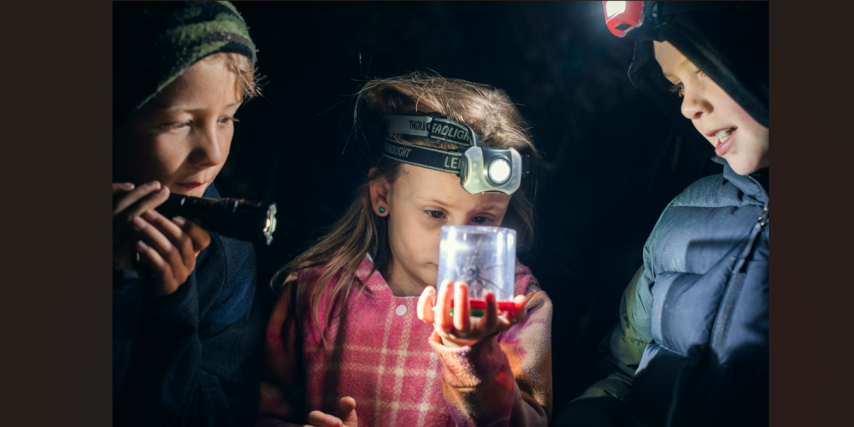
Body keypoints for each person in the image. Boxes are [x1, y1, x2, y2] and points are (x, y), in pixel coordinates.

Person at [258, 72, 553, 426]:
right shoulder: (316, 291)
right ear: (382, 196)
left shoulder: (516, 306)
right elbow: (257, 409)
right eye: (435, 213)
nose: (454, 244)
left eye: (481, 220)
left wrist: (476, 358)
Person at [555, 2, 769, 426]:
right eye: (676, 87)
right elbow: (622, 370)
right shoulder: (682, 217)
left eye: (702, 69)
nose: (688, 107)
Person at [112, 2, 263, 425]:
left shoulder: (227, 253)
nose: (212, 154)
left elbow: (221, 416)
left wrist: (172, 308)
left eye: (226, 119)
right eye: (178, 123)